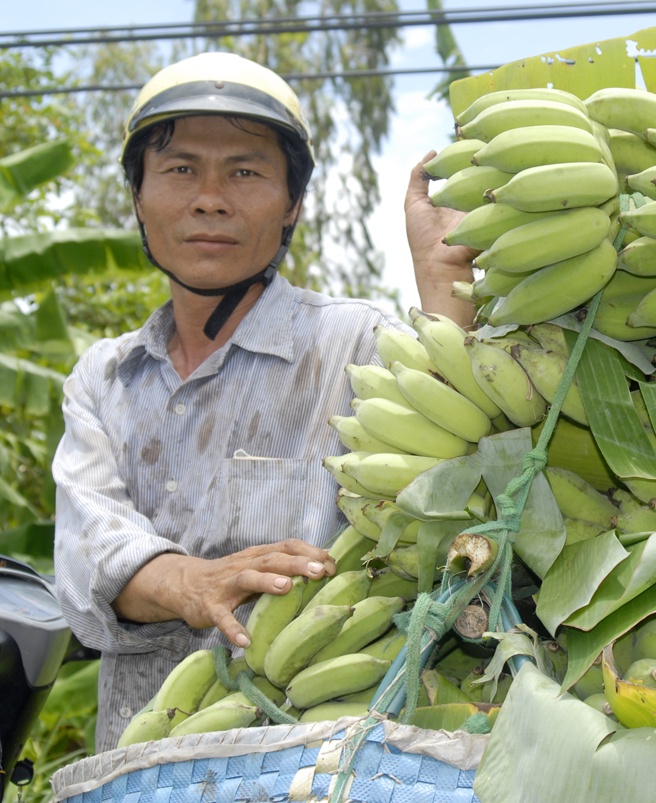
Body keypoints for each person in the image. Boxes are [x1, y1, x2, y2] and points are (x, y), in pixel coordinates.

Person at [51, 52, 475, 752]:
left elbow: (453, 470)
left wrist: (443, 287)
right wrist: (192, 581)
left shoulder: (356, 342)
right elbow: (89, 555)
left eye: (245, 172)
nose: (210, 198)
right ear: (138, 197)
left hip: (316, 761)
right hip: (135, 762)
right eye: (180, 169)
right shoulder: (104, 378)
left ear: (292, 205)